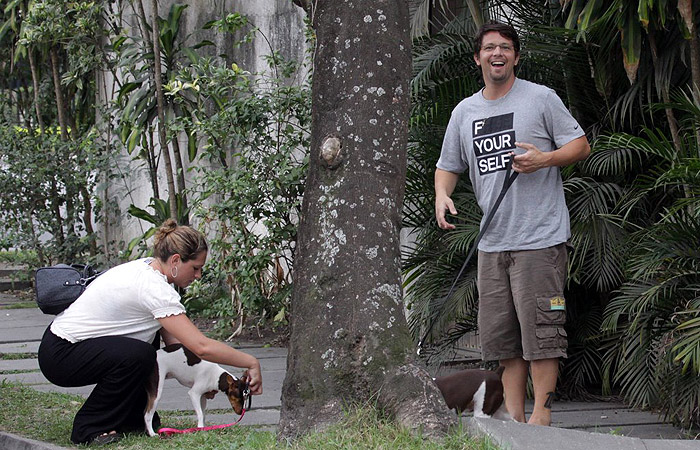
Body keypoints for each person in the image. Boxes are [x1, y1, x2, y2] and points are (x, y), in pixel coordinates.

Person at [434, 21, 590, 426]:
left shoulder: (540, 99)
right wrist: (442, 194)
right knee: (505, 341)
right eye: (489, 48)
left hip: (540, 239)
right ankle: (516, 420)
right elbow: (447, 165)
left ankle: (542, 418)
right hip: (492, 244)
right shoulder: (465, 111)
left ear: (516, 57)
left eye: (505, 47)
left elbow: (580, 144)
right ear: (478, 57)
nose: (497, 53)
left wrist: (544, 159)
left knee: (543, 336)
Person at [38, 219, 262, 445]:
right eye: (195, 268)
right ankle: (89, 428)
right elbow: (200, 346)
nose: (198, 276)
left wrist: (204, 378)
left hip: (63, 346)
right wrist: (250, 362)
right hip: (62, 353)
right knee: (141, 354)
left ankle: (132, 418)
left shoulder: (150, 270)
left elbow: (176, 345)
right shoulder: (154, 288)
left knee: (147, 344)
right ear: (175, 260)